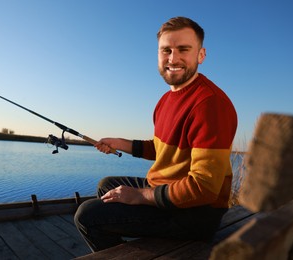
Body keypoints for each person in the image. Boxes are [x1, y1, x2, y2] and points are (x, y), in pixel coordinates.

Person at [74, 16, 237, 252]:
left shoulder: (210, 104)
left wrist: (140, 196)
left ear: (200, 55)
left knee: (87, 215)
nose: (173, 58)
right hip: (169, 192)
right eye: (166, 50)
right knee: (107, 185)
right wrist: (119, 143)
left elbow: (204, 189)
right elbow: (163, 148)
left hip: (197, 213)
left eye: (183, 49)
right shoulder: (166, 100)